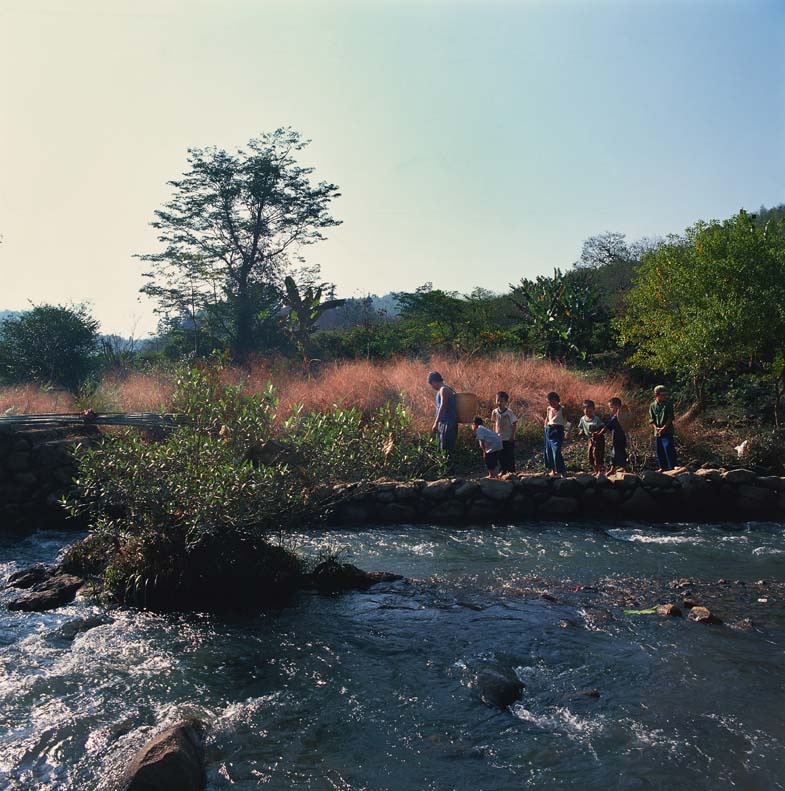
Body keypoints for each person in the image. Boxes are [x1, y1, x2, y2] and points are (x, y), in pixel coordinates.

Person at [427, 371, 458, 462]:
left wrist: (436, 423)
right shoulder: (443, 390)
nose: (432, 387)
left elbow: (443, 406)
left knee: (446, 448)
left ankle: (449, 471)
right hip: (443, 422)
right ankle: (445, 470)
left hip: (448, 423)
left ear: (433, 382)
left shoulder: (444, 390)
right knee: (442, 447)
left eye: (431, 384)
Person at [597, 396, 628, 476]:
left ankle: (623, 468)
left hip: (618, 438)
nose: (611, 409)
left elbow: (607, 427)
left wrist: (599, 434)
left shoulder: (616, 417)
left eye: (611, 407)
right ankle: (615, 468)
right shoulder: (623, 415)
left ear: (617, 406)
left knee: (617, 453)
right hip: (621, 438)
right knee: (618, 452)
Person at [539, 391, 567, 477]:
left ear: (557, 400)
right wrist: (545, 426)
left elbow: (568, 421)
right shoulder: (549, 408)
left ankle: (562, 471)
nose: (552, 404)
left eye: (553, 402)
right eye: (549, 402)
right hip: (548, 429)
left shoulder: (563, 409)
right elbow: (547, 418)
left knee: (556, 451)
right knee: (548, 451)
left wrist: (567, 432)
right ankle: (553, 470)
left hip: (558, 430)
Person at [649, 385, 677, 471]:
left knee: (668, 447)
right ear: (657, 395)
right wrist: (656, 428)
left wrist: (664, 428)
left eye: (665, 395)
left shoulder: (668, 404)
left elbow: (670, 417)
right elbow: (651, 419)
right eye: (662, 395)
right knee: (659, 449)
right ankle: (663, 467)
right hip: (657, 431)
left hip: (667, 430)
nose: (664, 396)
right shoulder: (652, 405)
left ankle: (672, 466)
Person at [492, 391, 518, 474]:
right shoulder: (495, 412)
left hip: (508, 438)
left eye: (502, 401)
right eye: (498, 400)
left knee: (509, 455)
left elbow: (514, 424)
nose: (499, 403)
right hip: (499, 437)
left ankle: (511, 471)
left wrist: (512, 436)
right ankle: (503, 470)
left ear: (506, 402)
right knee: (500, 455)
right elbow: (494, 423)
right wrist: (494, 435)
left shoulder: (509, 412)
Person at [578, 399, 605, 475]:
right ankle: (595, 470)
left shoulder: (596, 419)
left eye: (590, 411)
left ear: (593, 410)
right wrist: (581, 432)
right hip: (590, 439)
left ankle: (600, 471)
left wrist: (598, 432)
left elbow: (603, 427)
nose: (588, 413)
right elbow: (581, 427)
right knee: (590, 455)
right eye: (586, 411)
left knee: (597, 454)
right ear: (583, 410)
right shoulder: (582, 419)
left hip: (598, 439)